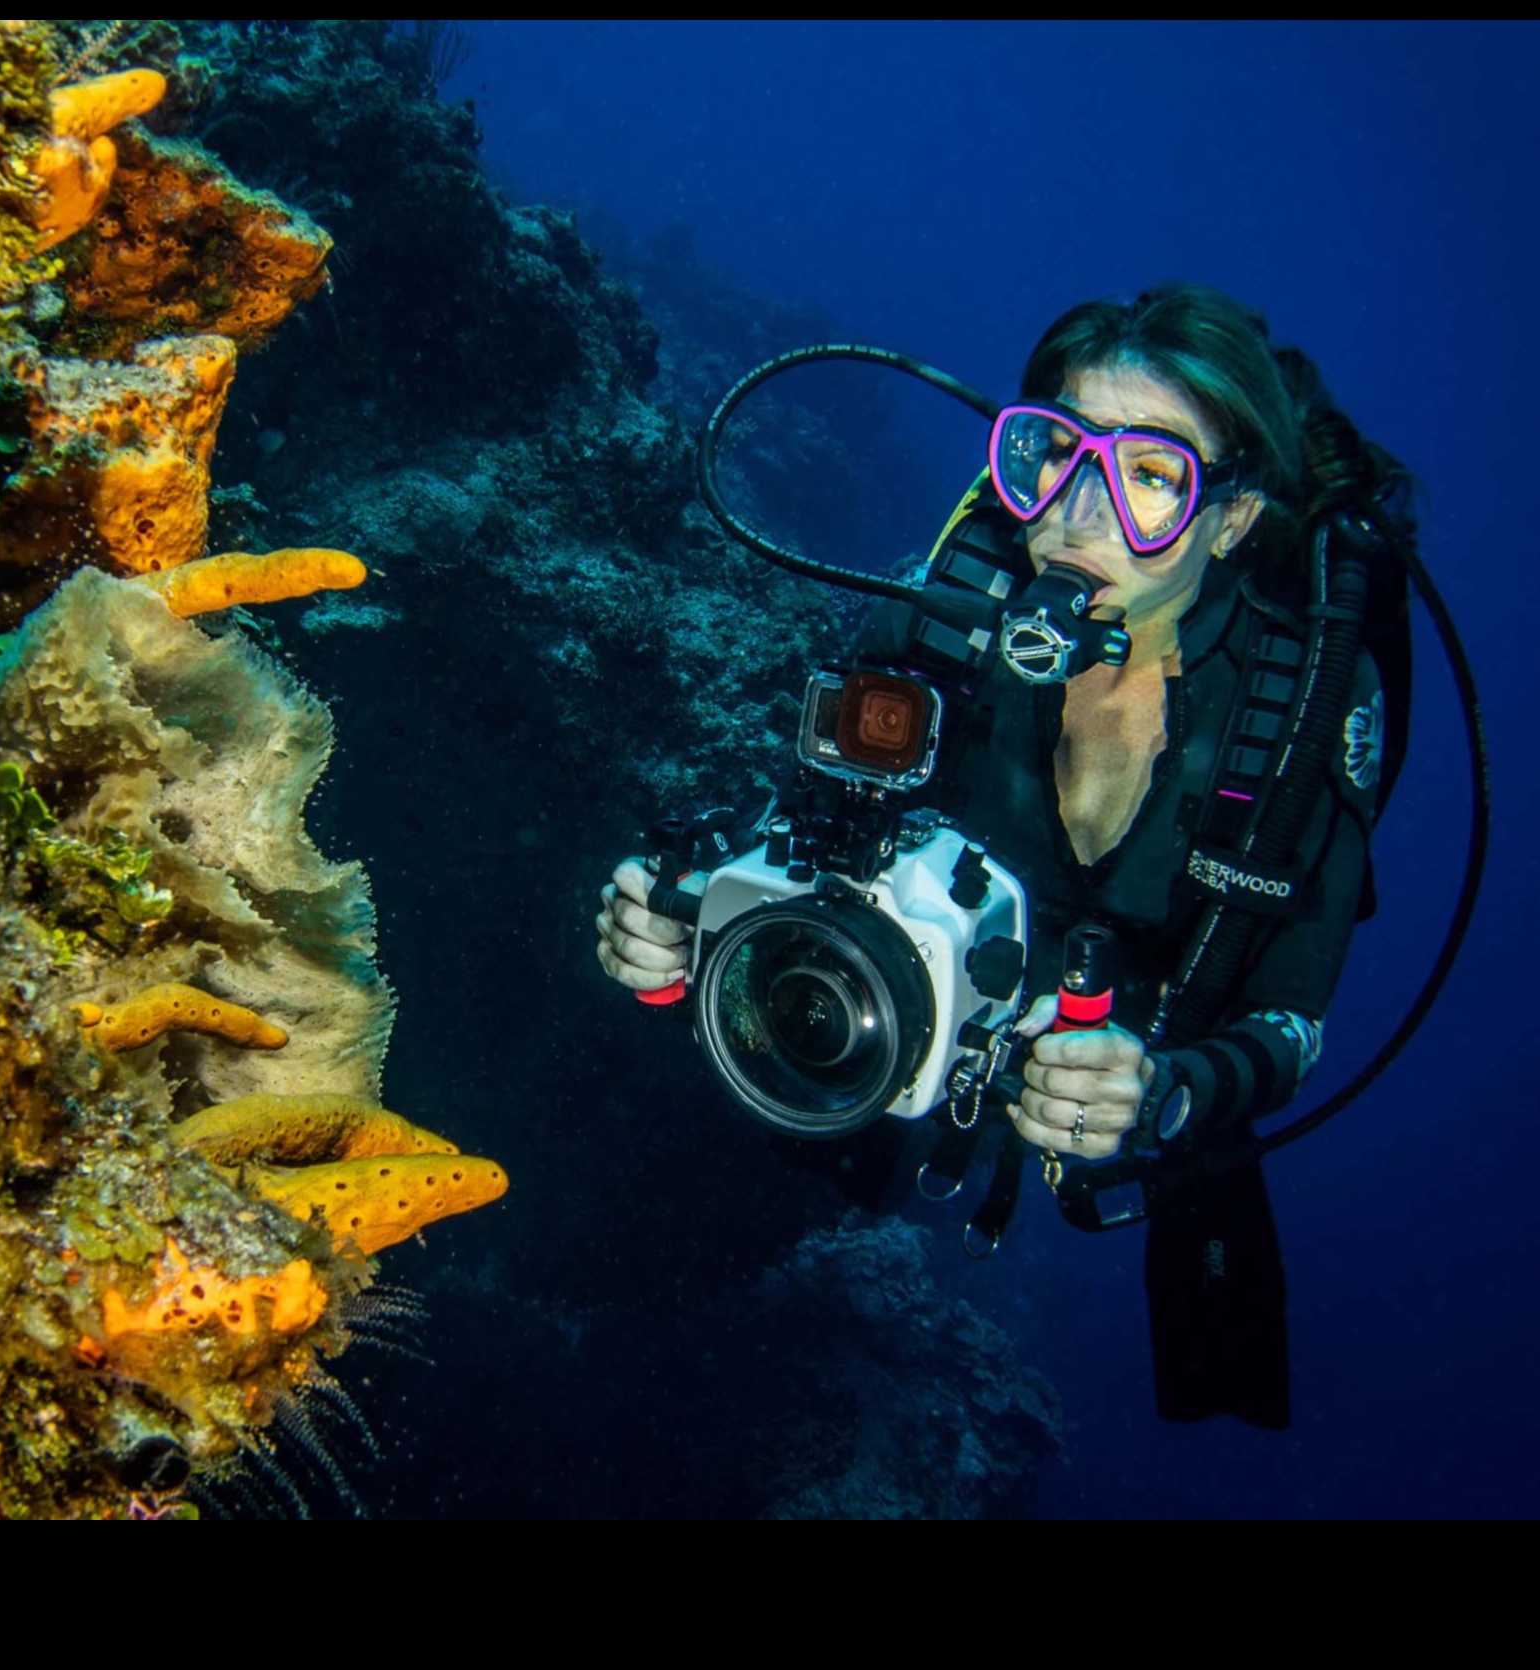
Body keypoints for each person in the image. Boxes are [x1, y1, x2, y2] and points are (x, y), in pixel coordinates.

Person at [595, 283, 1413, 1428]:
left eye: (1152, 479)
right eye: (1057, 456)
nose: (1080, 517)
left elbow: (1291, 1013)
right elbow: (820, 831)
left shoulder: (1303, 711)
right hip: (917, 1021)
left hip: (1154, 1035)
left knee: (1220, 1341)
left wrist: (1168, 1090)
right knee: (659, 1277)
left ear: (1231, 520)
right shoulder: (946, 622)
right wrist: (685, 929)